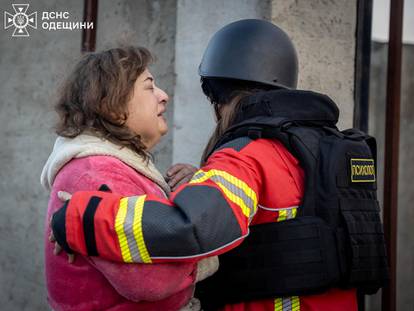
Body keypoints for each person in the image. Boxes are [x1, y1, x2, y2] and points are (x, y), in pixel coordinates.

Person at [50, 20, 387, 310]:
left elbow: (189, 228)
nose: (163, 96)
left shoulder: (248, 157)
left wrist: (84, 218)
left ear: (220, 96)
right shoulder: (325, 147)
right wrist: (202, 182)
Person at [40, 46, 217, 311]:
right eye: (149, 87)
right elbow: (148, 281)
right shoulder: (94, 174)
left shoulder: (111, 167)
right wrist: (207, 257)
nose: (164, 96)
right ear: (110, 104)